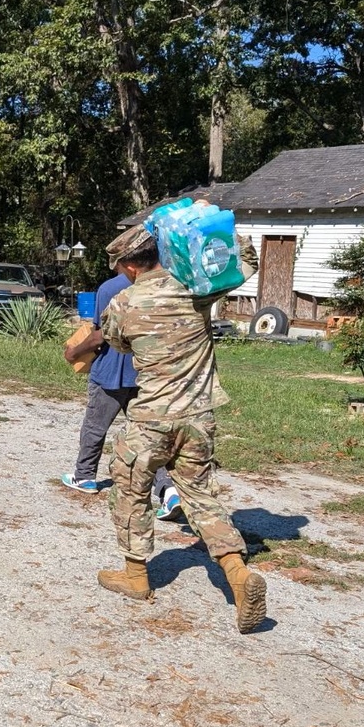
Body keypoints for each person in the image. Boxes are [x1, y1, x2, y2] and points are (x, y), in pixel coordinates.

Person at [96, 223, 266, 634]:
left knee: (130, 488)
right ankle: (238, 574)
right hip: (198, 418)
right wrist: (222, 229)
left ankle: (136, 577)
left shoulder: (124, 301)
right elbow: (247, 264)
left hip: (150, 420)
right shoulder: (195, 286)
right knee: (199, 495)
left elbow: (116, 342)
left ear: (131, 268)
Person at [60, 257, 182, 519]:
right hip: (146, 374)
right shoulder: (165, 286)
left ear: (123, 263)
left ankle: (85, 477)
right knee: (150, 435)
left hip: (111, 372)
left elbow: (99, 334)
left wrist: (74, 353)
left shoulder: (109, 288)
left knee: (95, 426)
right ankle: (168, 491)